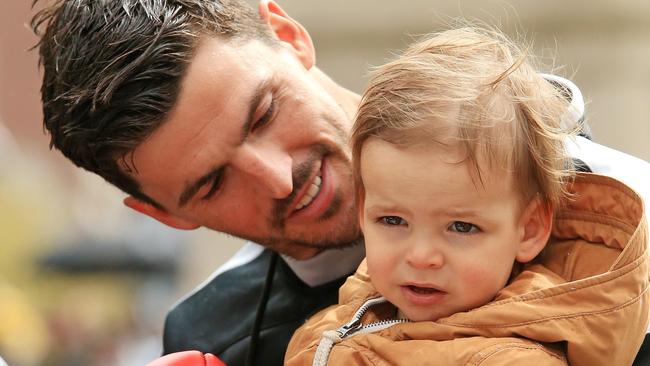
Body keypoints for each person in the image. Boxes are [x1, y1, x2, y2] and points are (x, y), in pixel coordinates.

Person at [30, 1, 650, 365]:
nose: (277, 179)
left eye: (264, 113)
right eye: (214, 182)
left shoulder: (619, 243)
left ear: (288, 32)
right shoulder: (211, 333)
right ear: (164, 215)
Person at [284, 26, 648, 366]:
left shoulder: (511, 359)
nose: (422, 256)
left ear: (529, 230)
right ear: (364, 212)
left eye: (461, 227)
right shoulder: (342, 318)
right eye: (393, 220)